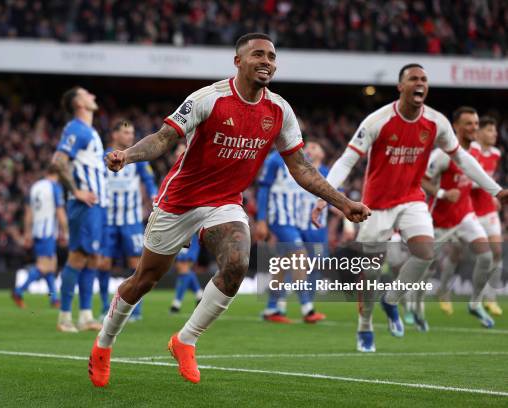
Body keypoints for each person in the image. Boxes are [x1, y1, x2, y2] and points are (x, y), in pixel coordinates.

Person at [88, 32, 370, 387]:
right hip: (179, 201)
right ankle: (103, 345)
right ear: (238, 61)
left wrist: (343, 204)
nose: (266, 61)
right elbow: (162, 138)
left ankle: (185, 340)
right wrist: (126, 155)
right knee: (145, 280)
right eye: (258, 54)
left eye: (271, 56)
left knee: (237, 264)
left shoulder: (280, 111)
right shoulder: (208, 99)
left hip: (225, 202)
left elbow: (301, 167)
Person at [312, 64, 507, 352]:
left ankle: (391, 300)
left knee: (426, 253)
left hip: (412, 198)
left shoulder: (436, 122)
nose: (420, 83)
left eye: (424, 79)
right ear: (401, 87)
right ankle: (364, 326)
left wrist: (496, 189)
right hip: (375, 204)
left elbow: (464, 160)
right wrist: (324, 196)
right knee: (371, 273)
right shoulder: (378, 120)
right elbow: (346, 160)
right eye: (413, 79)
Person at [421, 106, 495, 329]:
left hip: (465, 215)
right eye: (469, 123)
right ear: (456, 127)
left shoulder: (476, 153)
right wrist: (443, 193)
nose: (474, 128)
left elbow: (474, 180)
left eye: (476, 123)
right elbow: (422, 180)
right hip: (439, 220)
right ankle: (416, 307)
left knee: (486, 256)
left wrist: (493, 195)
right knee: (425, 267)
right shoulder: (442, 154)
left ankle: (475, 303)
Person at [52, 86, 106, 333]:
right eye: (88, 94)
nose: (93, 96)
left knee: (93, 258)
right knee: (78, 256)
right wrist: (76, 191)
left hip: (97, 205)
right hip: (84, 205)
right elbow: (59, 161)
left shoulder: (89, 131)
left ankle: (85, 315)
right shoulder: (76, 128)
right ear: (79, 103)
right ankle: (64, 317)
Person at [256, 140, 327, 324]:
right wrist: (261, 220)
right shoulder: (274, 160)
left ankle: (272, 308)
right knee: (300, 257)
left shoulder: (300, 160)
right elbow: (263, 188)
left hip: (294, 221)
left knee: (282, 264)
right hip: (279, 218)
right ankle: (307, 308)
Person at [97, 120, 157, 322]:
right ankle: (105, 307)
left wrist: (155, 199)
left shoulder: (137, 156)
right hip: (108, 220)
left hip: (131, 220)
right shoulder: (102, 157)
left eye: (132, 132)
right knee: (103, 263)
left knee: (136, 264)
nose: (131, 136)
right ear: (115, 135)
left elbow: (149, 181)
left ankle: (135, 309)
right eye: (126, 132)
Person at [12, 164, 68, 309]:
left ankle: (54, 299)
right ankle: (18, 291)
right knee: (44, 266)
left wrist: (27, 233)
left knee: (51, 264)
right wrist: (66, 232)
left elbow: (28, 212)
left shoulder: (35, 187)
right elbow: (60, 212)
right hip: (47, 232)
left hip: (37, 230)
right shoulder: (55, 187)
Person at [471, 116, 504, 316]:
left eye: (495, 130)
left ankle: (489, 298)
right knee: (459, 254)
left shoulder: (496, 154)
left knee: (496, 252)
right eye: (491, 130)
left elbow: (489, 179)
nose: (495, 134)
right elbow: (470, 181)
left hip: (488, 210)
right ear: (480, 132)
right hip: (469, 212)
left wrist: (494, 196)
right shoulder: (470, 151)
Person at [170, 234, 203, 313]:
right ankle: (199, 294)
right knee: (184, 271)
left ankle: (177, 303)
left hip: (191, 240)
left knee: (184, 270)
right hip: (182, 238)